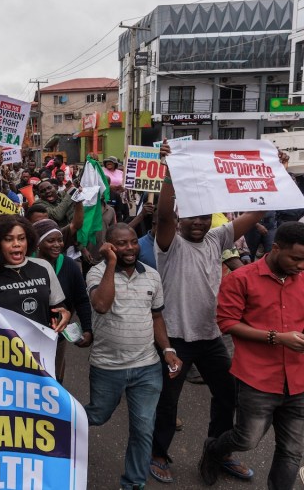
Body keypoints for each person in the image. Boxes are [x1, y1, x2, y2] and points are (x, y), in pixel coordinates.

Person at [149, 140, 262, 484]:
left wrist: (271, 175)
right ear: (181, 220)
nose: (197, 223)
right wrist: (169, 171)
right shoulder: (169, 242)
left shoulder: (217, 238)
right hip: (176, 340)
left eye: (202, 217)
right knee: (168, 402)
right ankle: (158, 453)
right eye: (190, 218)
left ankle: (220, 452)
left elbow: (256, 213)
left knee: (227, 396)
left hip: (212, 337)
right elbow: (164, 214)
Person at [199, 222, 304, 488]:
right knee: (247, 439)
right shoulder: (241, 279)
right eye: (295, 258)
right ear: (276, 248)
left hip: (299, 380)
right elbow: (227, 323)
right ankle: (213, 450)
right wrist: (277, 338)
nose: (300, 266)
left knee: (292, 451)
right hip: (257, 380)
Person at [86, 223, 182, 490]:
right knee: (97, 416)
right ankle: (51, 430)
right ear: (108, 246)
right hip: (107, 367)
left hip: (147, 367)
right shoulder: (96, 272)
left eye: (132, 242)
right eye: (120, 244)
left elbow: (157, 316)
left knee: (143, 430)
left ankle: (133, 484)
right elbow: (101, 305)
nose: (129, 248)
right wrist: (111, 263)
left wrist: (167, 350)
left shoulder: (152, 275)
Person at [0, 214, 70, 331]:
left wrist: (64, 314)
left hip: (42, 346)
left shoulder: (44, 267)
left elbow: (56, 306)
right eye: (8, 239)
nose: (16, 244)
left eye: (21, 238)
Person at [34, 218, 93, 382]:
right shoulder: (25, 264)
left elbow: (81, 299)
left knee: (54, 382)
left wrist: (87, 329)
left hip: (56, 337)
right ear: (38, 243)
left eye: (60, 240)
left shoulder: (69, 266)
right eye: (50, 240)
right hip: (29, 337)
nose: (57, 245)